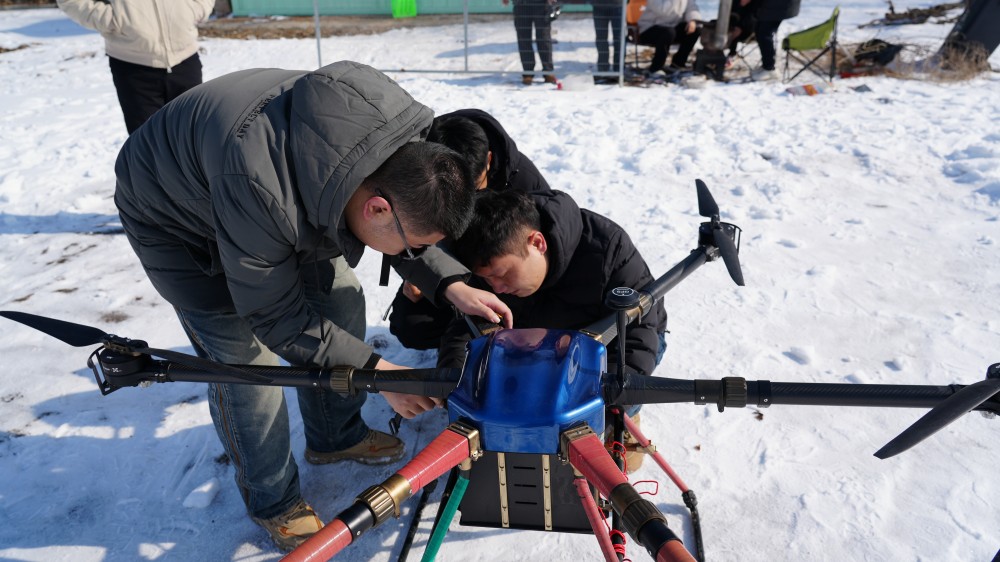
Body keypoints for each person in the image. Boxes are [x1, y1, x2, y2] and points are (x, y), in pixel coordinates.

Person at [113, 61, 512, 551]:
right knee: (246, 366)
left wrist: (449, 282)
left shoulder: (397, 133)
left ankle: (333, 436)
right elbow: (277, 318)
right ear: (376, 209)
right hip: (176, 219)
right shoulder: (262, 188)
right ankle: (273, 500)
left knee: (342, 298)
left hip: (271, 187)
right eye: (407, 246)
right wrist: (378, 374)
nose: (405, 256)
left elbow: (418, 205)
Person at [437, 190, 668, 471]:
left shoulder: (608, 249)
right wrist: (454, 376)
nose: (496, 288)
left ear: (537, 243)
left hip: (607, 356)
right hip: (536, 353)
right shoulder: (490, 254)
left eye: (502, 275)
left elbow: (640, 335)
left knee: (611, 463)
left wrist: (609, 410)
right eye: (488, 280)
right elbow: (464, 324)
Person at [387, 109, 568, 351]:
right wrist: (418, 277)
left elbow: (540, 255)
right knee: (411, 325)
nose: (468, 203)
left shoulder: (522, 180)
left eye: (475, 189)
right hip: (450, 267)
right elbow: (397, 236)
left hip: (500, 272)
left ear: (489, 160)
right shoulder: (420, 179)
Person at [56, 0, 216, 134]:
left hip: (185, 58)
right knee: (147, 148)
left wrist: (196, 8)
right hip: (133, 66)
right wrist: (113, 19)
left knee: (192, 137)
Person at [637, 0, 703, 74]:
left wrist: (692, 20)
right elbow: (663, 11)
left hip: (672, 27)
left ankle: (678, 63)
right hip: (649, 28)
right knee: (668, 33)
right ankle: (656, 67)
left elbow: (692, 8)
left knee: (695, 30)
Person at [503, 0, 558, 85]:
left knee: (544, 38)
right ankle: (528, 72)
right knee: (524, 39)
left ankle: (548, 72)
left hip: (541, 4)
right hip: (521, 4)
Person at [752, 0, 800, 81]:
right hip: (775, 5)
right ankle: (767, 65)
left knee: (764, 33)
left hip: (778, 5)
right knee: (761, 30)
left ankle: (769, 69)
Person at [590, 0, 623, 83]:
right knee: (601, 37)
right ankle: (603, 69)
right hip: (599, 5)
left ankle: (619, 69)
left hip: (618, 5)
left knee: (619, 38)